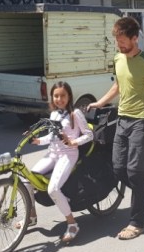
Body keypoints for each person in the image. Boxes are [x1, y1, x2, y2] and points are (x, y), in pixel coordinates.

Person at [87, 17, 144, 240]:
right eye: (117, 41)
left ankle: (136, 222)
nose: (119, 45)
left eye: (123, 41)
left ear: (135, 38)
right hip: (122, 118)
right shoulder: (118, 58)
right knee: (118, 169)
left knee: (135, 171)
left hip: (142, 120)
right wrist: (100, 102)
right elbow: (118, 85)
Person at [18, 81, 93, 243]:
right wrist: (37, 141)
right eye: (56, 96)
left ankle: (72, 224)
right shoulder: (54, 114)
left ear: (69, 96)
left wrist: (74, 142)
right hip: (53, 153)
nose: (59, 99)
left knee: (53, 189)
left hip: (68, 154)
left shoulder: (75, 113)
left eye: (63, 95)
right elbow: (51, 137)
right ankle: (31, 216)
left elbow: (89, 135)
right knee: (26, 179)